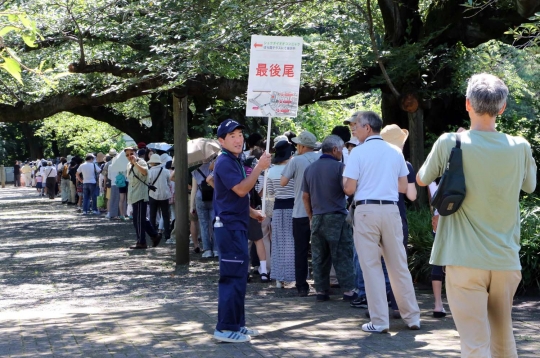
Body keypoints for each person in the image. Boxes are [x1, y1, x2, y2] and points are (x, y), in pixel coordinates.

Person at [417, 73, 537, 357]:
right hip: (505, 259)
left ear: (468, 104)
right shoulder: (520, 146)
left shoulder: (450, 142)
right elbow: (530, 186)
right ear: (502, 107)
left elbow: (422, 178)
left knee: (474, 342)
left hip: (464, 258)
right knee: (503, 340)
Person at [343, 111, 420, 333]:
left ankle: (379, 322)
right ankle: (412, 317)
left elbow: (349, 188)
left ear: (368, 128)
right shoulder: (395, 151)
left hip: (366, 210)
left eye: (355, 126)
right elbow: (404, 187)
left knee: (371, 267)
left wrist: (359, 184)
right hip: (391, 210)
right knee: (398, 266)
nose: (353, 130)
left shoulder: (358, 152)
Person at [212, 119, 271, 343]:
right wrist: (258, 168)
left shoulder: (234, 160)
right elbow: (240, 189)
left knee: (239, 276)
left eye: (240, 135)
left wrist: (251, 211)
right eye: (232, 136)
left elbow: (233, 195)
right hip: (229, 227)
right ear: (221, 141)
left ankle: (236, 324)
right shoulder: (225, 161)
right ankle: (225, 329)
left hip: (236, 225)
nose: (238, 139)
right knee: (232, 277)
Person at [302, 135, 357, 302]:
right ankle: (348, 291)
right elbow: (348, 190)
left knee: (319, 257)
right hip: (337, 217)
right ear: (334, 150)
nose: (342, 153)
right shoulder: (340, 168)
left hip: (317, 218)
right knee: (342, 254)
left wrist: (311, 216)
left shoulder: (310, 169)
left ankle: (321, 291)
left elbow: (305, 196)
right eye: (341, 150)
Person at [280, 130, 321, 297]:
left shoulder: (295, 160)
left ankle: (302, 285)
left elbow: (283, 182)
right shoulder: (322, 158)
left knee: (301, 250)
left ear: (303, 146)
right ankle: (322, 284)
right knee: (322, 249)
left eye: (298, 144)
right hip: (320, 210)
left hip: (300, 211)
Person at [267, 140, 296, 288]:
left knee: (278, 243)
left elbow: (270, 192)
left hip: (277, 209)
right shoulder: (293, 169)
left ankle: (278, 278)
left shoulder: (270, 171)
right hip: (293, 208)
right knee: (293, 243)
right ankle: (292, 277)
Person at [125, 146, 161, 249]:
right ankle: (154, 235)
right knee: (137, 219)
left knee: (140, 220)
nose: (129, 156)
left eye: (131, 154)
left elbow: (145, 172)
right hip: (133, 195)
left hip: (141, 194)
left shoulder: (142, 162)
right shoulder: (128, 165)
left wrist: (135, 163)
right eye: (127, 155)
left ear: (135, 153)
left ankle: (141, 242)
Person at [191, 158, 217, 258]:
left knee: (203, 224)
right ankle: (216, 249)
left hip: (200, 197)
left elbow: (194, 189)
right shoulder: (214, 169)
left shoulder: (195, 171)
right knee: (215, 223)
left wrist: (191, 206)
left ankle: (207, 250)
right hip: (214, 197)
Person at [147, 154, 172, 242]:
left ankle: (153, 234)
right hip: (164, 195)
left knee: (152, 216)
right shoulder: (166, 171)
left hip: (153, 195)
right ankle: (167, 235)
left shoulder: (149, 172)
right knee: (165, 215)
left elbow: (148, 183)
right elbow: (169, 182)